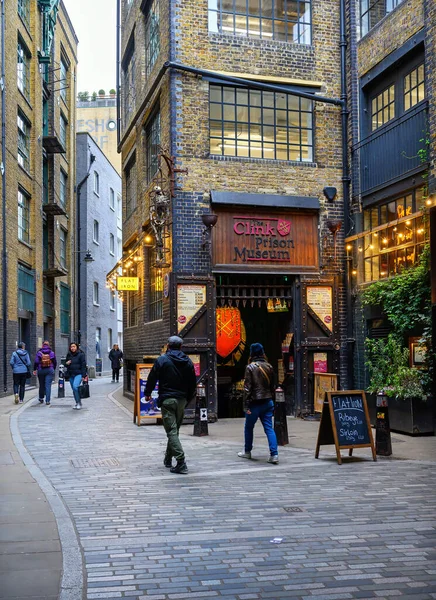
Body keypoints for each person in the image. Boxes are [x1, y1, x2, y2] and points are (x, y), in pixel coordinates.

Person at [144, 336, 197, 474]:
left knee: (171, 431)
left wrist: (147, 393)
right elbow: (193, 384)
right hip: (181, 400)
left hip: (167, 400)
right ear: (181, 347)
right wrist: (188, 398)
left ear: (168, 345)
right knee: (174, 430)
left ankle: (181, 461)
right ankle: (168, 459)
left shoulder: (162, 360)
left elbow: (152, 377)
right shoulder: (188, 362)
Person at [238, 342, 279, 464]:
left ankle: (247, 451)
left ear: (251, 354)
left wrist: (245, 406)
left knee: (249, 427)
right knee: (269, 428)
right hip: (267, 401)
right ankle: (274, 454)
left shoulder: (250, 367)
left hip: (254, 403)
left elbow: (247, 389)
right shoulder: (269, 367)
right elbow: (273, 386)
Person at [33, 341, 57, 406]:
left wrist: (34, 369)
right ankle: (48, 401)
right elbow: (55, 362)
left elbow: (36, 361)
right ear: (49, 345)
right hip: (49, 370)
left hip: (41, 370)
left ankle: (41, 398)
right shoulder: (52, 353)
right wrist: (52, 368)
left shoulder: (39, 353)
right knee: (48, 385)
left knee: (41, 384)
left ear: (42, 346)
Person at [65, 342, 87, 410]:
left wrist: (84, 376)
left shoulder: (81, 355)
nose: (72, 348)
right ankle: (78, 402)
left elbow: (83, 365)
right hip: (71, 374)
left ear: (77, 347)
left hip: (79, 374)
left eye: (74, 346)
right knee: (74, 390)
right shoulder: (69, 355)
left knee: (75, 387)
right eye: (71, 347)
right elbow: (65, 364)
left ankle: (78, 403)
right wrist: (67, 363)